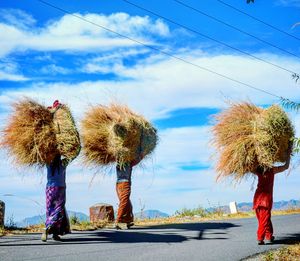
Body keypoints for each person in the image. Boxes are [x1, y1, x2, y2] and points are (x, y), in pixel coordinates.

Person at [41, 100, 70, 242]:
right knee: (58, 210)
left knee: (50, 210)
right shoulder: (64, 163)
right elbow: (76, 151)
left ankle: (55, 233)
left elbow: (43, 151)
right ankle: (48, 229)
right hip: (59, 189)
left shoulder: (47, 162)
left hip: (49, 189)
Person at [253, 145, 292, 245]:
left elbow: (248, 166)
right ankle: (260, 238)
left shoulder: (258, 170)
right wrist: (288, 153)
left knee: (264, 218)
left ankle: (269, 236)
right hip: (265, 199)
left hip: (257, 198)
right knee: (264, 219)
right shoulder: (271, 170)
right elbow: (286, 166)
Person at [115, 162, 136, 229]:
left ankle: (128, 220)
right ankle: (119, 220)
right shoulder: (128, 161)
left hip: (118, 184)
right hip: (125, 183)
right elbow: (137, 160)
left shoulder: (118, 162)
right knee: (124, 202)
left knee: (127, 202)